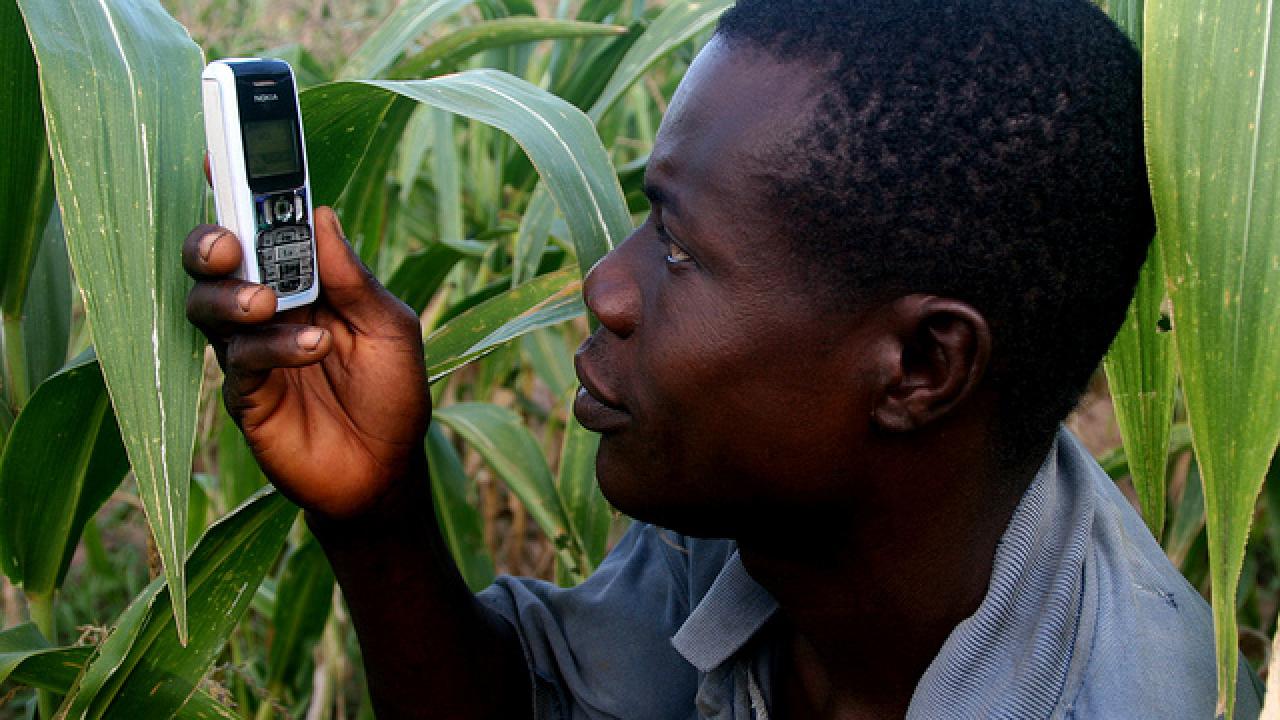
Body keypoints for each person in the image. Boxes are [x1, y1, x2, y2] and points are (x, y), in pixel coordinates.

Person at [183, 0, 1265, 717]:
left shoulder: (1116, 696)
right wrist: (376, 516)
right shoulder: (762, 518)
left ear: (921, 368)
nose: (603, 289)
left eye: (677, 245)